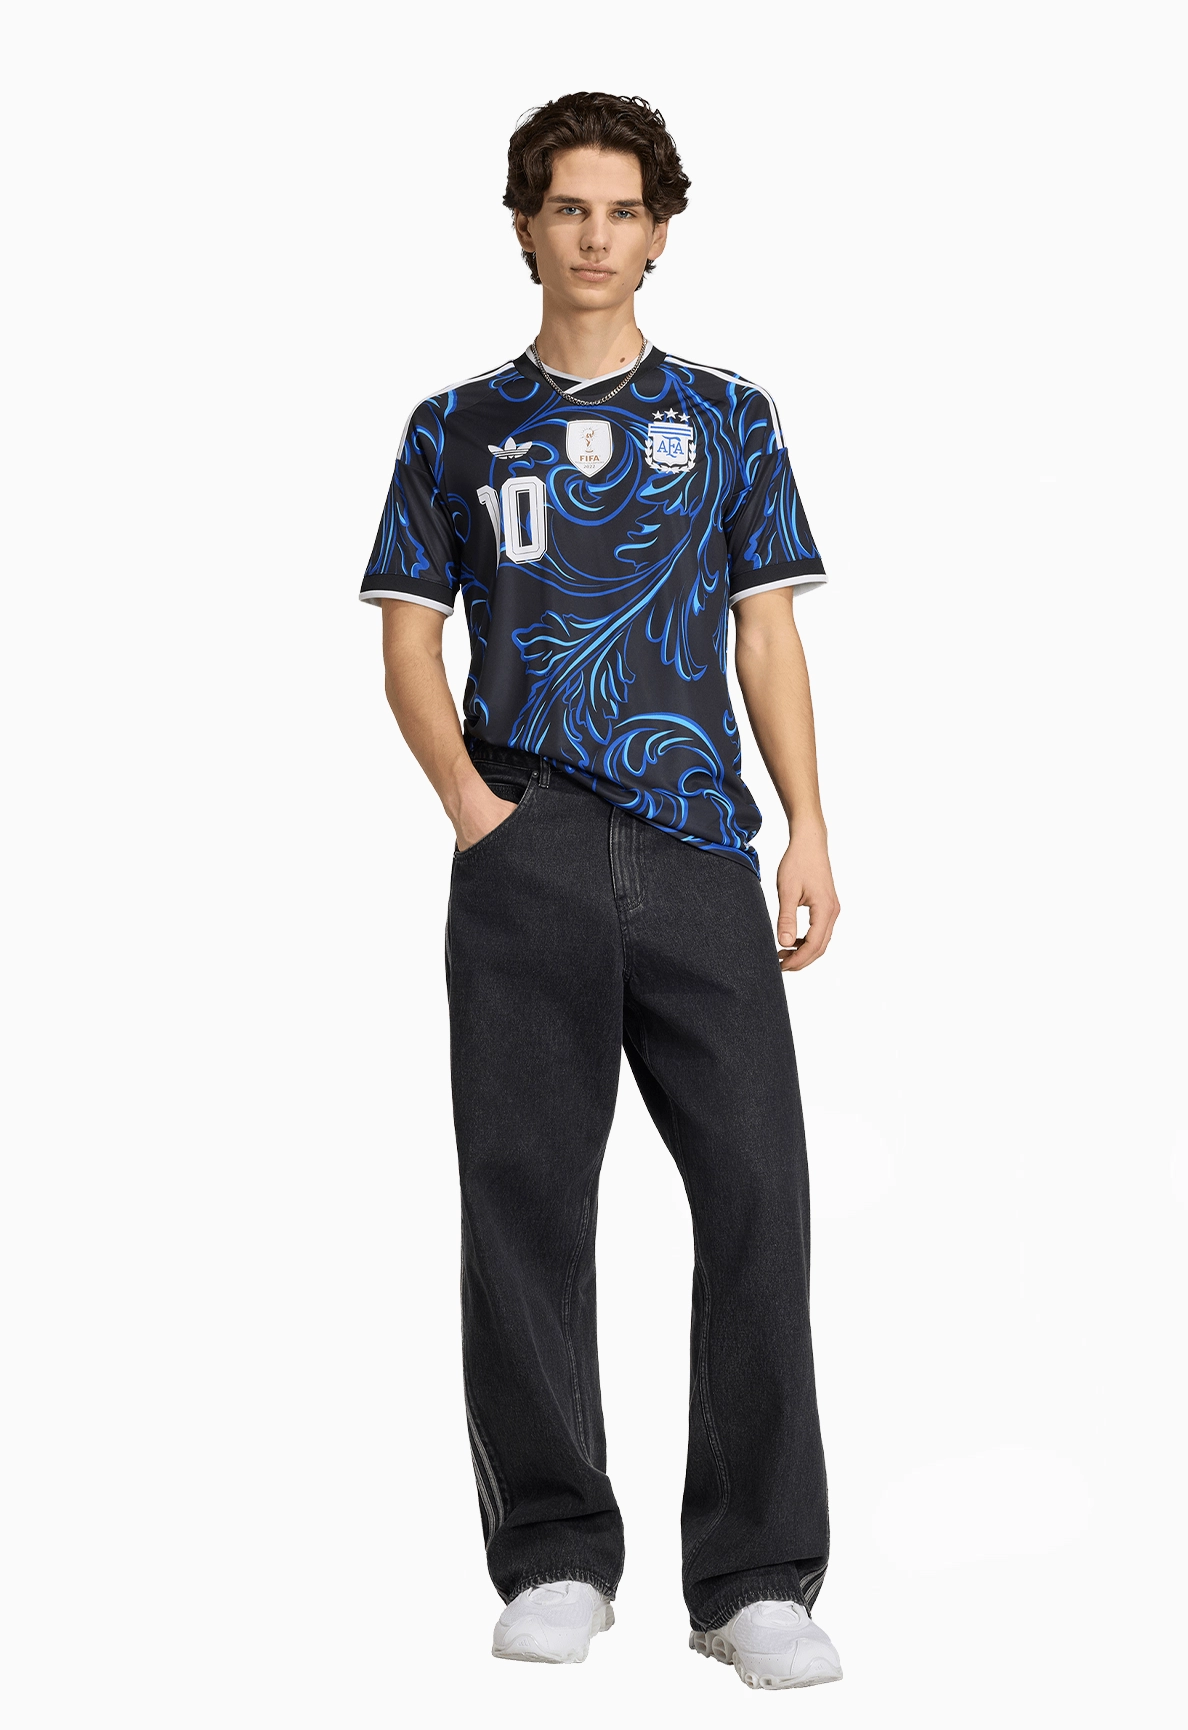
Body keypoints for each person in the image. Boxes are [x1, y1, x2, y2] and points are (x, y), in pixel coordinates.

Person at [359, 92, 842, 1691]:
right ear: (525, 225)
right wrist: (474, 812)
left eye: (622, 210)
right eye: (567, 206)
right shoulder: (454, 427)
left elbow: (767, 633)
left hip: (700, 845)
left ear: (660, 231)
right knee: (524, 1201)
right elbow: (409, 637)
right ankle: (558, 1553)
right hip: (528, 850)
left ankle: (754, 1578)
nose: (594, 235)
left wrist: (808, 830)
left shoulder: (730, 418)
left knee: (757, 1193)